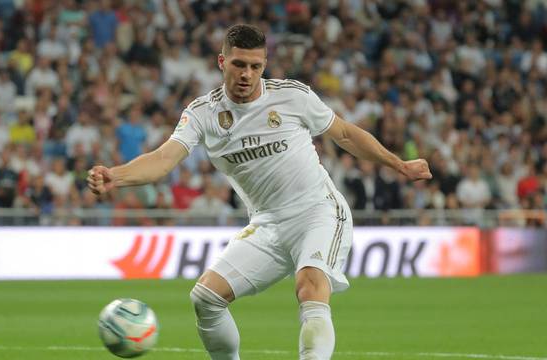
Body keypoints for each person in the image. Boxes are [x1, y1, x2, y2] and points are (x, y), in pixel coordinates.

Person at [87, 24, 432, 360]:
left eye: (255, 66)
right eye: (239, 64)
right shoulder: (203, 114)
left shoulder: (292, 96)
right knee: (205, 297)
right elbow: (164, 158)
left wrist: (397, 163)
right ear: (222, 62)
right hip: (268, 225)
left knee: (310, 287)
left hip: (318, 211)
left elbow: (344, 133)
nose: (247, 74)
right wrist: (116, 176)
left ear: (264, 65)